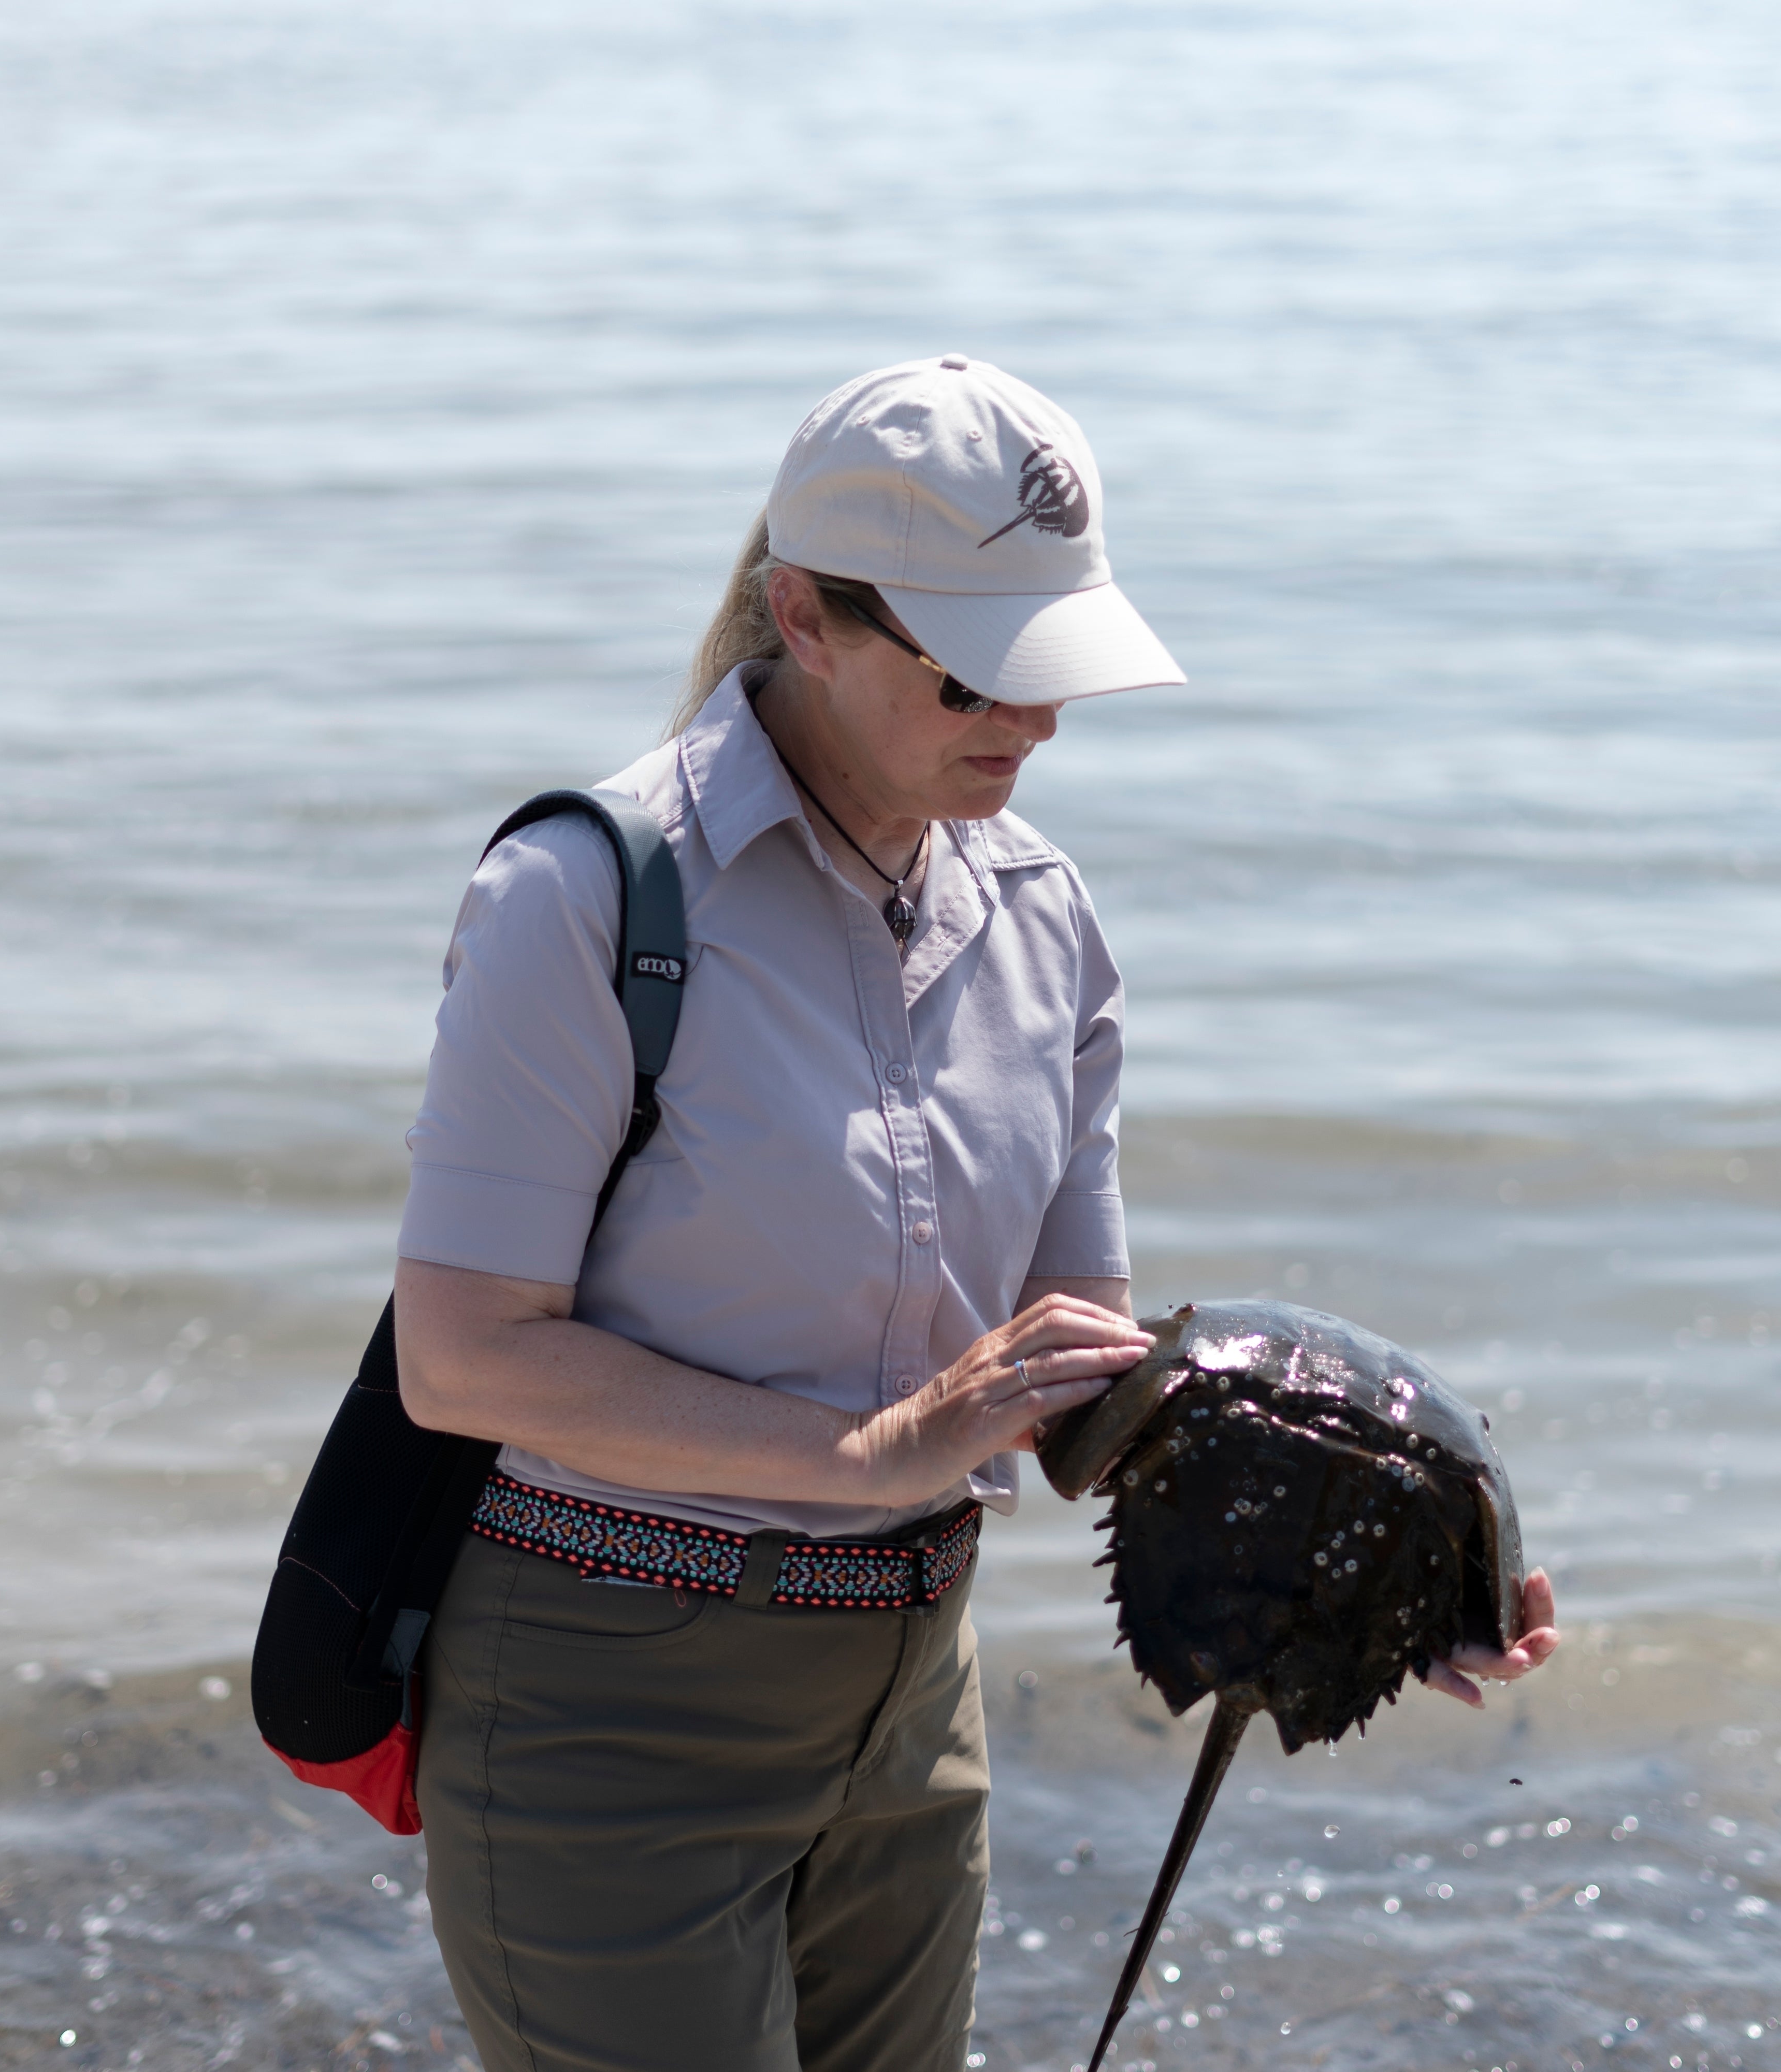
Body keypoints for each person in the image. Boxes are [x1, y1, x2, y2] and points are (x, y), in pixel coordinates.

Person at [390, 355, 1559, 2072]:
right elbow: (464, 1358)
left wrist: (1378, 1562)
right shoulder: (585, 895)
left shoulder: (1043, 922)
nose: (1034, 725)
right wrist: (866, 1452)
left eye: (1054, 671)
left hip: (912, 1707)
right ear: (805, 616)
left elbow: (1075, 1389)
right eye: (974, 679)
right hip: (602, 1703)